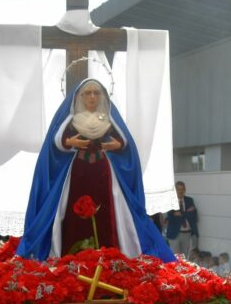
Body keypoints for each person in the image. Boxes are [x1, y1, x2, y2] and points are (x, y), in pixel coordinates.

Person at [18, 78, 174, 262]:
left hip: (103, 173)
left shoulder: (108, 119)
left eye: (96, 93)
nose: (92, 97)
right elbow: (55, 141)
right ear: (80, 97)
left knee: (106, 213)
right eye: (88, 93)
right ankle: (72, 257)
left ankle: (108, 256)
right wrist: (69, 142)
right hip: (78, 173)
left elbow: (124, 141)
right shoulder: (72, 119)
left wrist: (119, 145)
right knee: (73, 214)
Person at [164, 181, 198, 256]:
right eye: (178, 189)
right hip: (175, 233)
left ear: (185, 190)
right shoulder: (171, 202)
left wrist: (180, 213)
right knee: (175, 256)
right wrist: (187, 212)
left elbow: (194, 216)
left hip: (187, 233)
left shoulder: (189, 200)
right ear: (175, 190)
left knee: (184, 256)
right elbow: (171, 217)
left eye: (182, 189)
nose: (180, 191)